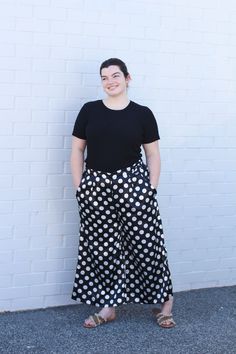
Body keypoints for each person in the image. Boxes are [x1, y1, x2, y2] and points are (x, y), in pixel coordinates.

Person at [70, 58, 176, 328]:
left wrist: (149, 189)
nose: (110, 82)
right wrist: (80, 186)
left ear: (128, 78)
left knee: (147, 245)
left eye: (115, 76)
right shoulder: (89, 111)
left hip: (133, 185)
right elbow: (77, 151)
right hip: (95, 187)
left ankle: (166, 303)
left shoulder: (142, 114)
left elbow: (153, 154)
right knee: (103, 249)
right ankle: (108, 307)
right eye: (104, 77)